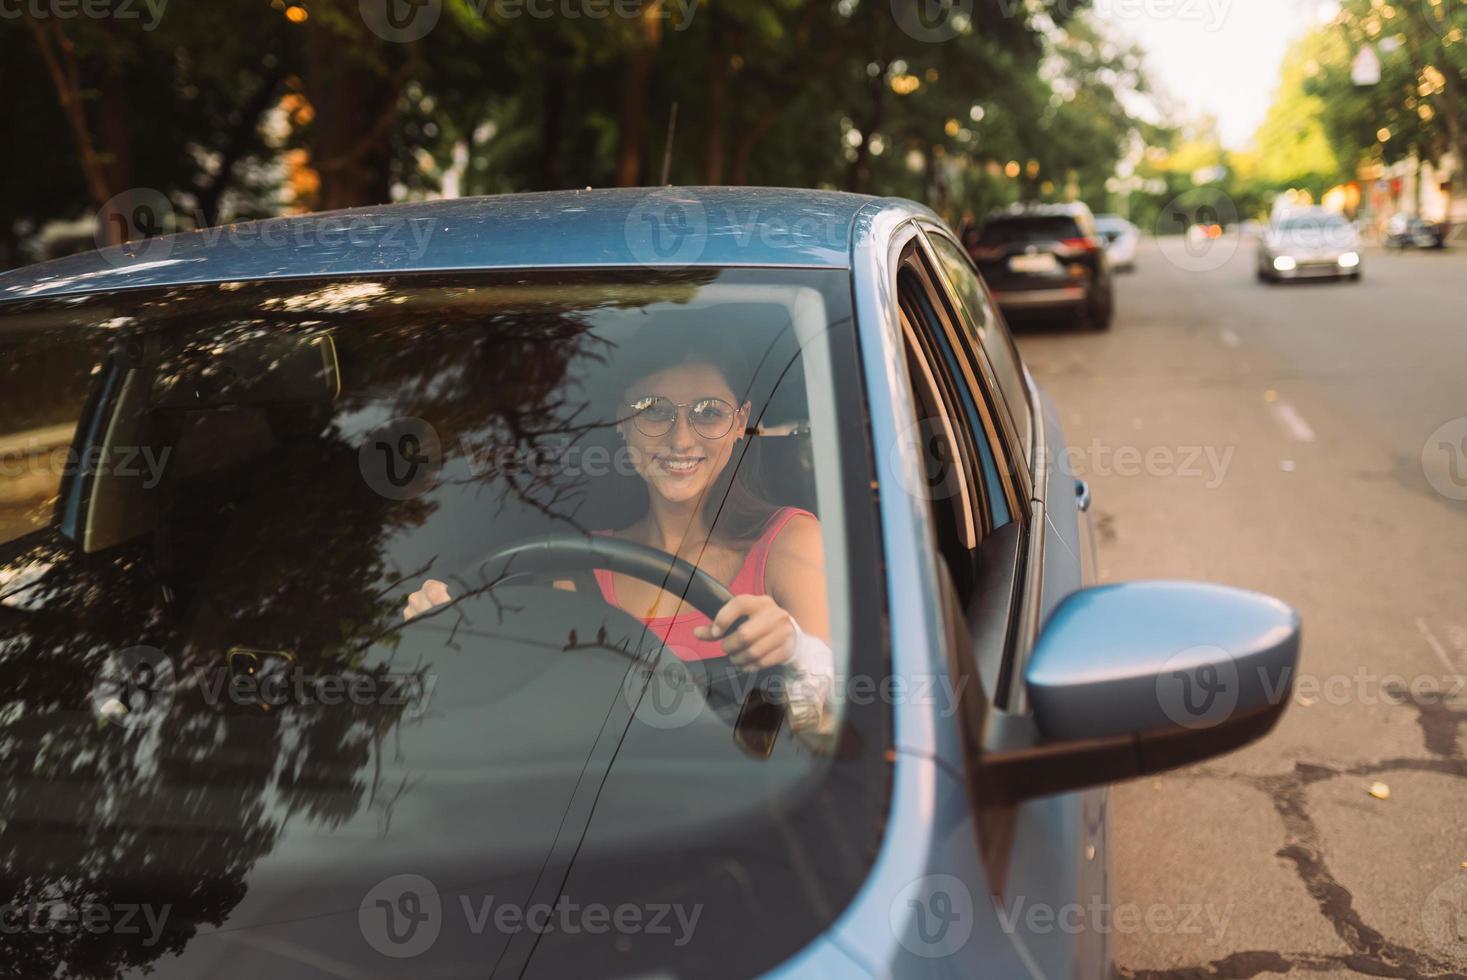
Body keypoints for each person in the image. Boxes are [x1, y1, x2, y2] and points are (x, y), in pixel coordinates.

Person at [404, 332, 835, 731]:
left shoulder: (787, 543)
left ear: (741, 422)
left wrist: (795, 650)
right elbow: (527, 718)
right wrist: (450, 637)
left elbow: (829, 722)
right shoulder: (578, 567)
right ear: (621, 423)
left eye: (709, 412)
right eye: (654, 410)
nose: (681, 439)